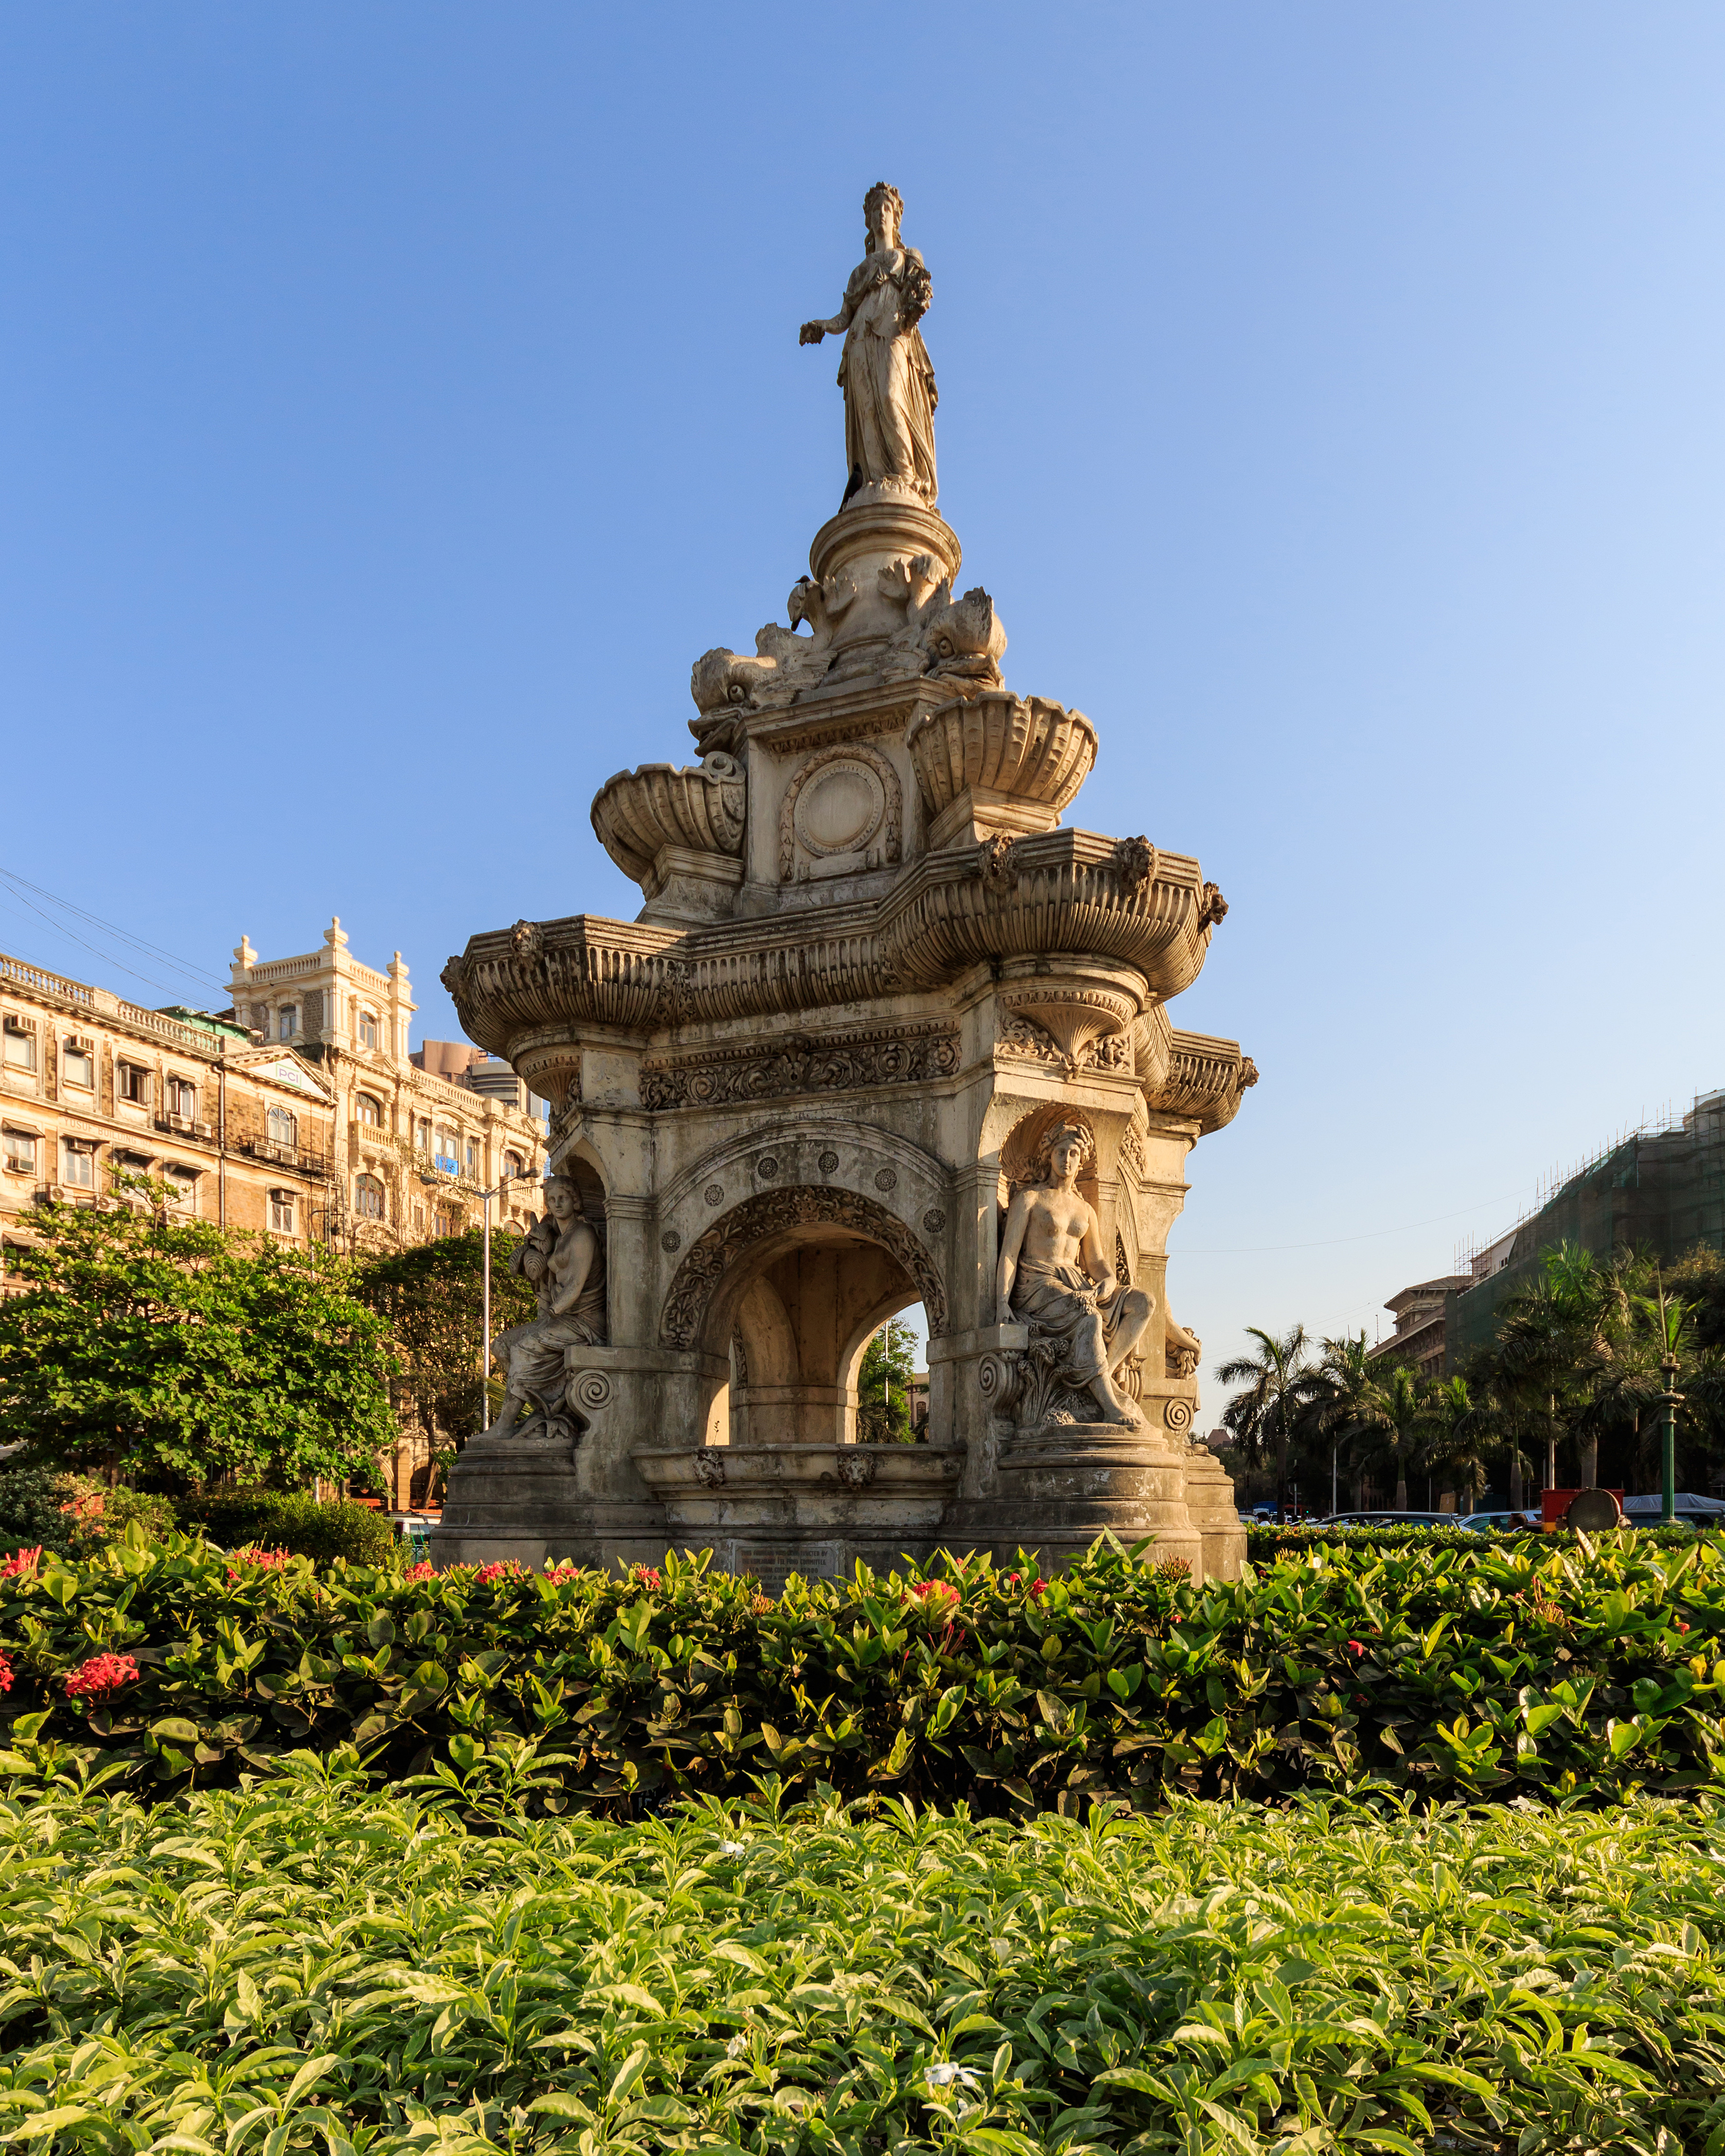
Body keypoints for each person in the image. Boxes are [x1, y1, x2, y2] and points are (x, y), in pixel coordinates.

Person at [995, 1123, 1154, 1426]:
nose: (1066, 1159)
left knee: (1144, 1303)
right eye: (1060, 1152)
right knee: (1090, 1318)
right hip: (1038, 1283)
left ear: (1082, 1160)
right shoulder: (1030, 1199)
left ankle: (1105, 1375)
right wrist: (1002, 1303)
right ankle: (1109, 1405)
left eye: (1073, 1154)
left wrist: (1105, 1285)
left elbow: (1096, 1262)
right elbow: (1009, 1256)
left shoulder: (1086, 1211)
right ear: (1049, 1156)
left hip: (1077, 1284)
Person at [799, 181, 938, 507]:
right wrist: (820, 326)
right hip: (860, 336)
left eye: (886, 209)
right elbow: (843, 317)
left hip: (893, 330)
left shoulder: (907, 257)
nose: (881, 215)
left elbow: (921, 295)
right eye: (875, 210)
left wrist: (914, 308)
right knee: (867, 408)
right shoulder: (858, 272)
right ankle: (874, 481)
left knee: (892, 397)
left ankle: (903, 479)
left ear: (896, 218)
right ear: (868, 219)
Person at [487, 1175, 606, 1438]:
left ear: (576, 1201)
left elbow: (574, 1287)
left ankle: (504, 1426)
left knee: (523, 1350)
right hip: (561, 1319)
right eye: (552, 1200)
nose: (557, 1204)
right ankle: (545, 1406)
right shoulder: (559, 1238)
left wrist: (549, 1316)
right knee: (501, 1346)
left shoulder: (582, 1235)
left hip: (583, 1322)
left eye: (563, 1198)